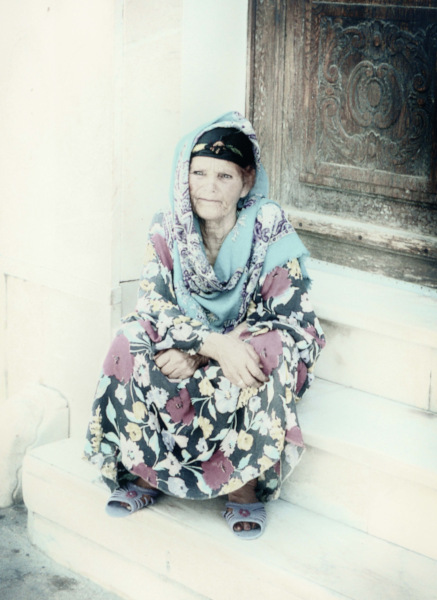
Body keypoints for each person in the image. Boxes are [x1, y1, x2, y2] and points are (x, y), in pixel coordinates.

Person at [84, 111, 325, 540]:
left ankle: (244, 484)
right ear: (184, 174)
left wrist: (219, 347)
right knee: (129, 338)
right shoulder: (168, 225)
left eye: (224, 176)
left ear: (246, 181)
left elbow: (292, 314)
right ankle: (145, 473)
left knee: (273, 350)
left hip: (242, 347)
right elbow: (153, 302)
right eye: (198, 172)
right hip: (196, 345)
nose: (209, 187)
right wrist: (204, 346)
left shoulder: (269, 224)